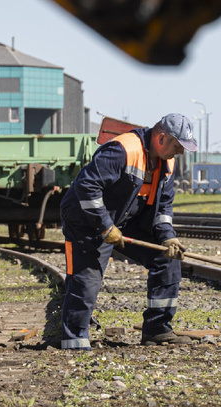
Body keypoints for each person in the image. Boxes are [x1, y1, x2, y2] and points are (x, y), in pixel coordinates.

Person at [58, 114, 197, 349]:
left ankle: (157, 329)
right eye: (178, 146)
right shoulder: (122, 150)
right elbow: (86, 186)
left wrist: (167, 236)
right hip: (87, 219)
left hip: (125, 219)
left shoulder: (167, 163)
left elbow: (163, 207)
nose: (181, 153)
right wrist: (104, 226)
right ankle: (74, 340)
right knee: (87, 278)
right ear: (162, 138)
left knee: (167, 259)